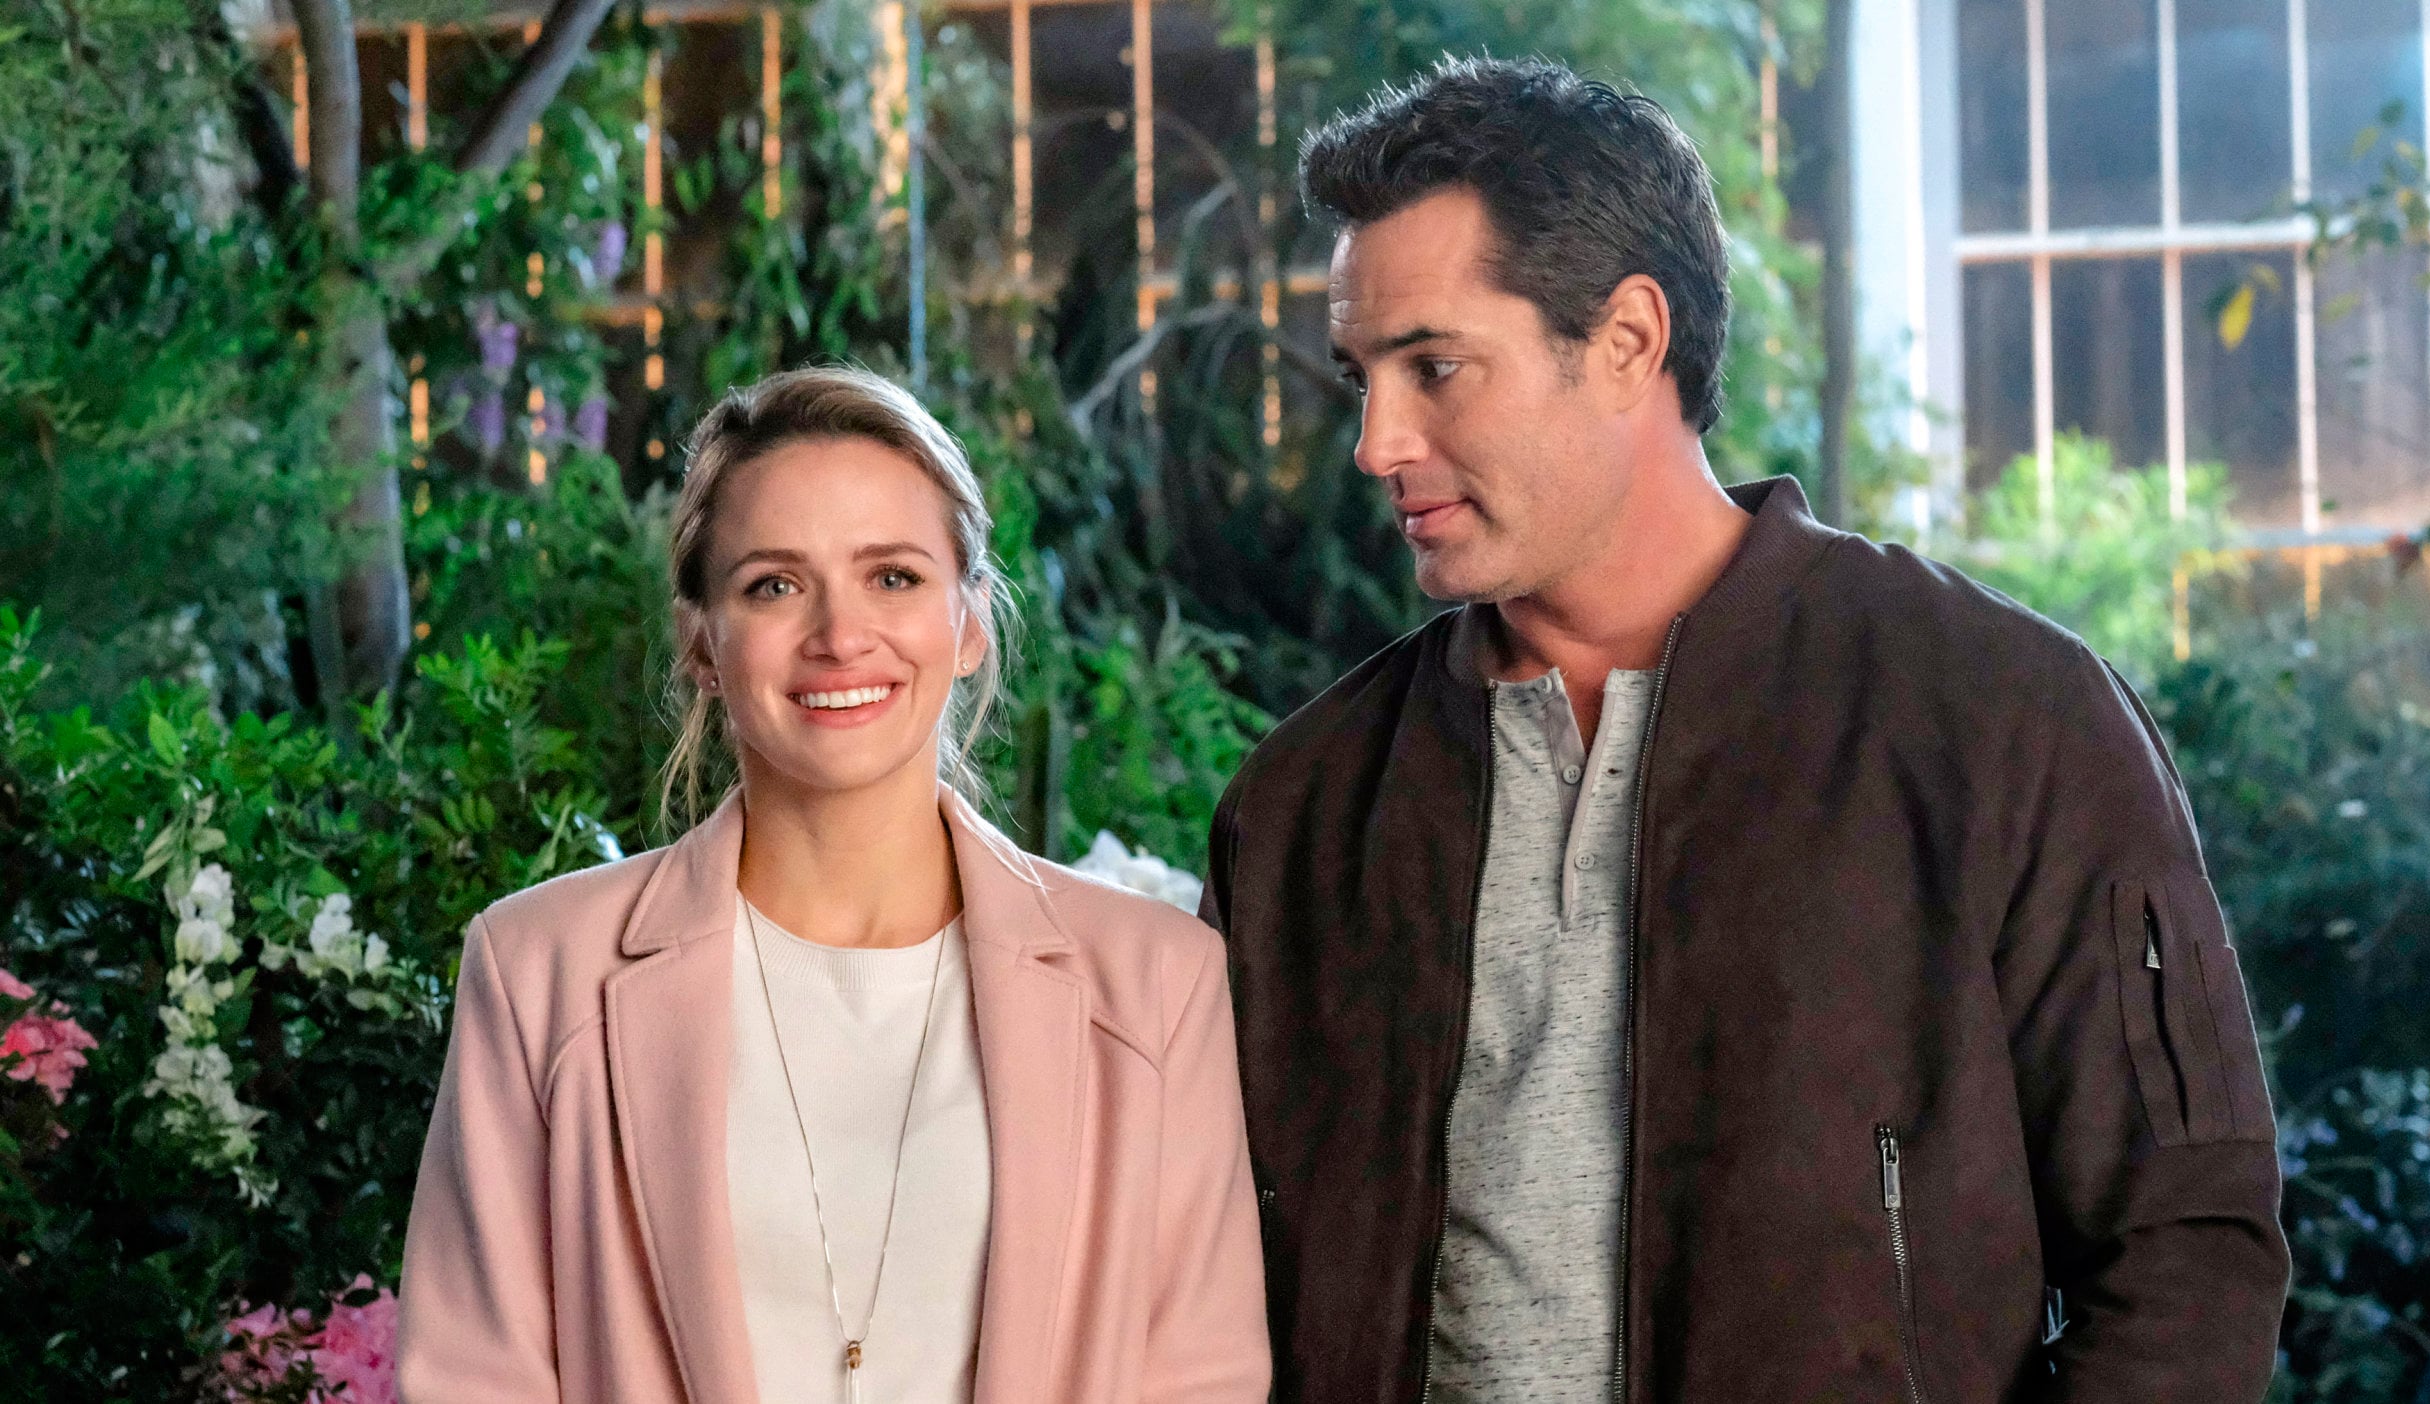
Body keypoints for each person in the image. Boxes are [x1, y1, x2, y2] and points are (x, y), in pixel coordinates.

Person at [1201, 57, 2289, 1403]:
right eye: (1361, 376)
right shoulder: (1303, 808)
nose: (1377, 442)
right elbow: (1201, 1285)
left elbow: (2186, 1259)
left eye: (1435, 368)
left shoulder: (2001, 718)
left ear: (1627, 340)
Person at [401, 366, 1269, 1403]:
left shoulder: (1158, 982)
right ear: (700, 641)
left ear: (969, 622)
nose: (840, 636)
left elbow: (1201, 1380)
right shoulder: (538, 972)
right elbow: (474, 1379)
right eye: (774, 584)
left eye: (892, 577)